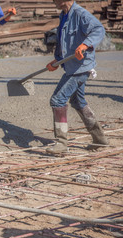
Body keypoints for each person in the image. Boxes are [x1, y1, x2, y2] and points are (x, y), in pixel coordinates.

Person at [45, 0, 108, 154]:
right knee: (78, 101)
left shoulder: (80, 14)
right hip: (71, 66)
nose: (53, 1)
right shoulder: (64, 15)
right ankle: (100, 140)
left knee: (57, 100)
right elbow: (64, 41)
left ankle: (61, 144)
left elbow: (98, 29)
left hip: (81, 67)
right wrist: (57, 60)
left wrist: (85, 45)